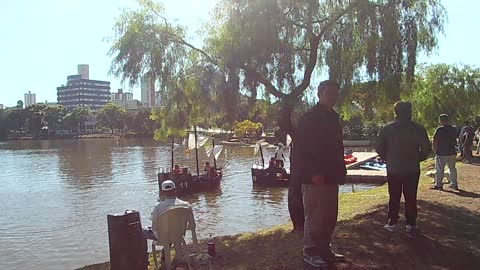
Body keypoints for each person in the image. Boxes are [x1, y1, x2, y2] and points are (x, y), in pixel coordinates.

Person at [295, 80, 346, 268]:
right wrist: (314, 172)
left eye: (335, 94)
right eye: (329, 93)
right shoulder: (309, 117)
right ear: (319, 94)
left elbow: (337, 148)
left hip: (332, 173)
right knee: (315, 214)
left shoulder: (333, 117)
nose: (332, 97)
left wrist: (341, 170)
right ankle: (310, 251)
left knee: (330, 214)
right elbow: (304, 149)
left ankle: (325, 249)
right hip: (314, 175)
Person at [376, 101, 431, 234]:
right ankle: (411, 223)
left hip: (394, 167)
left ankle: (392, 221)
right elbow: (426, 148)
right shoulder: (418, 128)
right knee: (411, 196)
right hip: (412, 168)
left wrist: (388, 158)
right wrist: (418, 158)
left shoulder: (387, 128)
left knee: (394, 195)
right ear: (410, 112)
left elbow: (379, 148)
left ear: (396, 112)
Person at [432, 114, 459, 190]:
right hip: (452, 151)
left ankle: (439, 185)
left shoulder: (439, 129)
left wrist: (435, 150)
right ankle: (454, 184)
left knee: (440, 169)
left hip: (441, 152)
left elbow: (435, 141)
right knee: (452, 168)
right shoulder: (454, 129)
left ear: (441, 121)